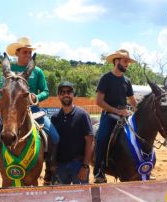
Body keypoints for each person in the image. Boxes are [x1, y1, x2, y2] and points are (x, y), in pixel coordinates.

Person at [0, 37, 60, 187]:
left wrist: (36, 96)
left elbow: (46, 91)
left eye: (29, 52)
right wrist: (6, 97)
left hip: (33, 109)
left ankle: (50, 172)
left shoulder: (37, 71)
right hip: (10, 111)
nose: (27, 55)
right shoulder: (8, 73)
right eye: (24, 52)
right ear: (17, 53)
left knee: (54, 136)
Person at [94, 49, 137, 184]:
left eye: (128, 62)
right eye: (125, 61)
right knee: (101, 138)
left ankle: (142, 168)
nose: (127, 64)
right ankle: (99, 172)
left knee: (138, 136)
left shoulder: (127, 81)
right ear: (116, 61)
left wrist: (138, 111)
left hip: (124, 116)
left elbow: (132, 100)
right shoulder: (105, 78)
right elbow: (99, 101)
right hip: (108, 115)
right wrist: (116, 111)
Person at [51, 81, 94, 184]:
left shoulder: (82, 115)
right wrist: (53, 164)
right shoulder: (55, 118)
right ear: (58, 96)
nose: (66, 94)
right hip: (60, 166)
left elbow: (90, 141)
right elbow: (53, 143)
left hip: (78, 164)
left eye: (69, 92)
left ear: (73, 94)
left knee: (82, 197)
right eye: (62, 92)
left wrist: (85, 166)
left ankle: (99, 172)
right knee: (61, 197)